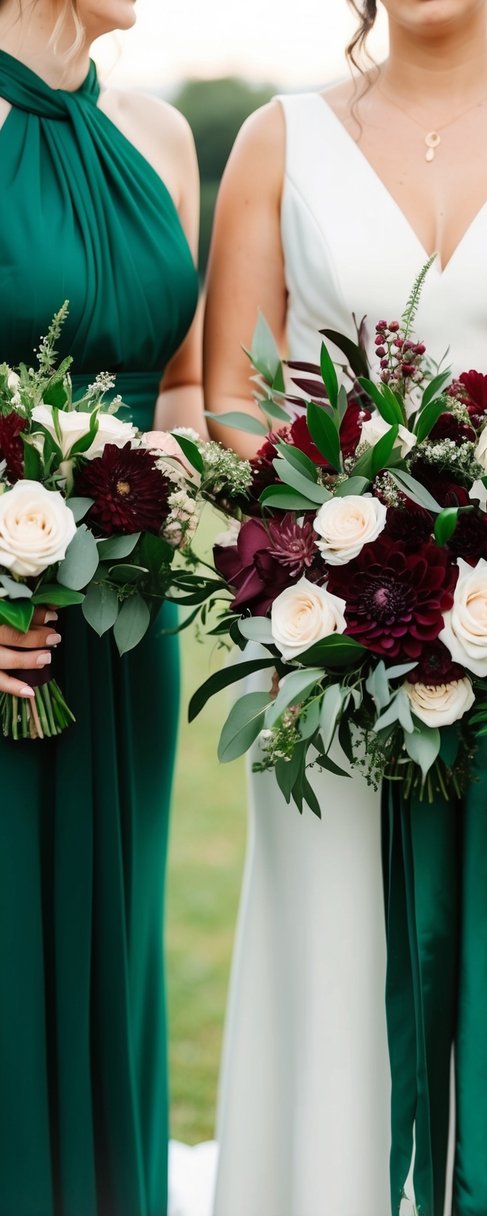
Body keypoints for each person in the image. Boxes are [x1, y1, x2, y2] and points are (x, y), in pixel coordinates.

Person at [205, 1, 487, 1212]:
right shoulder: (277, 139)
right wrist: (336, 553)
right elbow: (232, 399)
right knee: (340, 954)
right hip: (321, 631)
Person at [0, 2, 202, 1213]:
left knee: (109, 957)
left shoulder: (161, 133)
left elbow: (179, 382)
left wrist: (180, 469)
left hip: (126, 616)